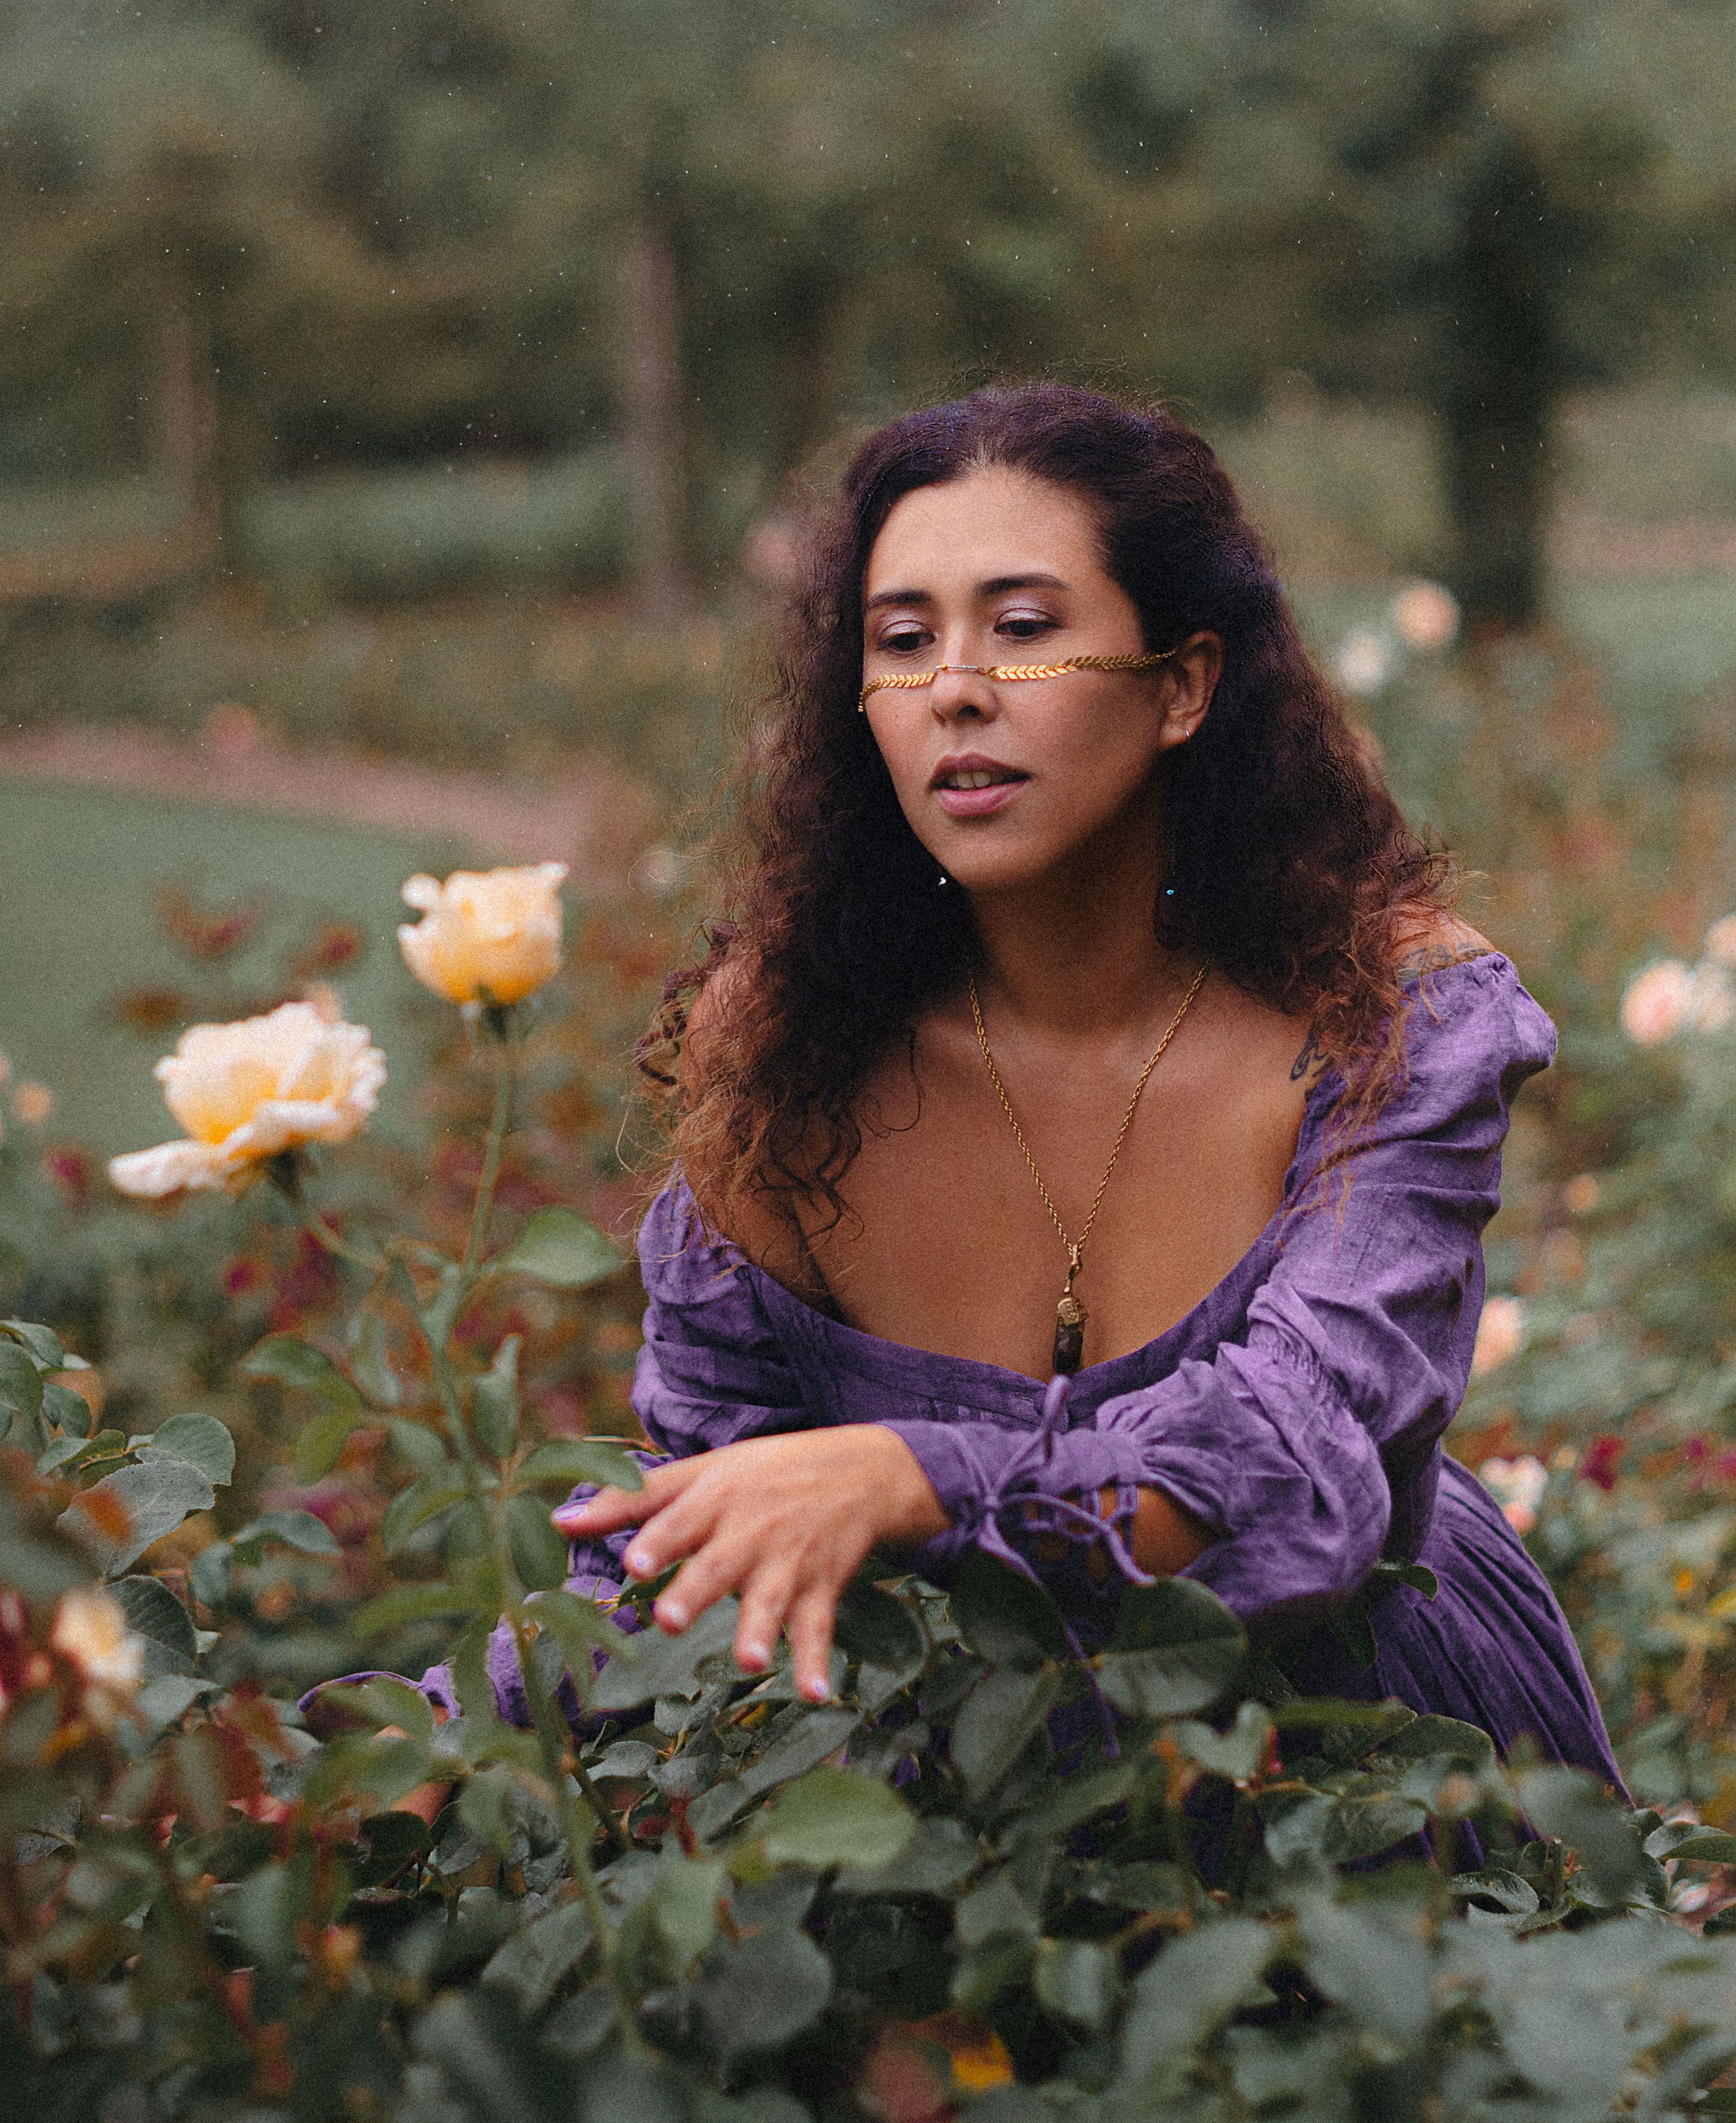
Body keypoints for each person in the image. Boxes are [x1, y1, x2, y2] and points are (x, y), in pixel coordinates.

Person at [366, 384, 1618, 1784]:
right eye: (902, 640)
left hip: (1352, 1762)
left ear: (1182, 686)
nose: (953, 686)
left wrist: (905, 1477)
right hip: (958, 1790)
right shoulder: (786, 1056)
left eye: (1022, 629)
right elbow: (690, 1552)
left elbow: (1287, 1466)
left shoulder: (1385, 1016)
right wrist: (389, 1763)